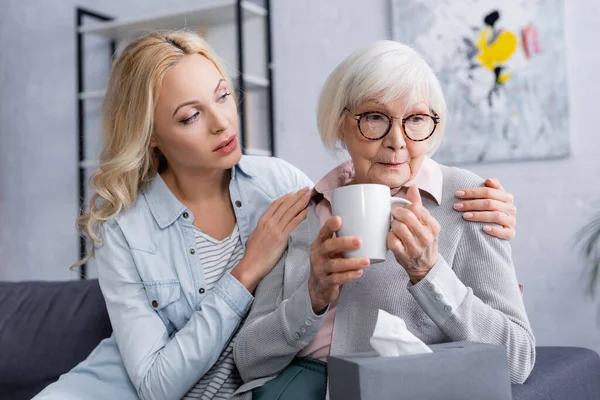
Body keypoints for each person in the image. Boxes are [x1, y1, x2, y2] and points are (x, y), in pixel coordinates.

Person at [34, 32, 518, 400]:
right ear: (151, 134)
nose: (224, 122)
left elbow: (366, 175)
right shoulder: (126, 230)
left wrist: (481, 221)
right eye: (189, 115)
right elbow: (164, 380)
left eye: (224, 96)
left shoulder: (285, 185)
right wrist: (256, 273)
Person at [232, 40, 534, 400]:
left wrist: (429, 274)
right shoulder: (305, 211)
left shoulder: (470, 199)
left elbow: (517, 359)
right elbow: (249, 361)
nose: (397, 141)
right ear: (340, 124)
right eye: (374, 118)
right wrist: (313, 296)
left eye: (416, 119)